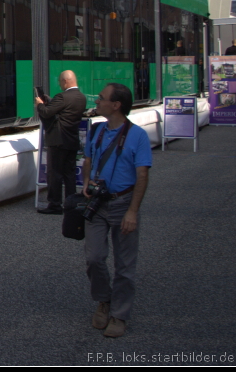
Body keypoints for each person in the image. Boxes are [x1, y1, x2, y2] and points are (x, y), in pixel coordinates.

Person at [82, 83, 152, 338]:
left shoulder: (138, 136)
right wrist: (87, 181)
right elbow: (88, 159)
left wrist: (132, 211)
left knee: (124, 265)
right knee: (94, 257)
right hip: (98, 204)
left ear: (116, 105)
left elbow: (142, 175)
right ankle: (104, 299)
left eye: (101, 99)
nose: (97, 101)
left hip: (123, 203)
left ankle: (119, 315)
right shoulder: (97, 130)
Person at [35, 70, 87, 214]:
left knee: (55, 173)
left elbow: (46, 112)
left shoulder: (62, 97)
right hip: (72, 140)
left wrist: (40, 104)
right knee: (69, 174)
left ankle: (55, 204)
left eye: (60, 81)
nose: (59, 84)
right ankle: (71, 203)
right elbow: (63, 111)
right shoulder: (81, 97)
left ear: (65, 81)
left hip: (58, 140)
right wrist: (50, 102)